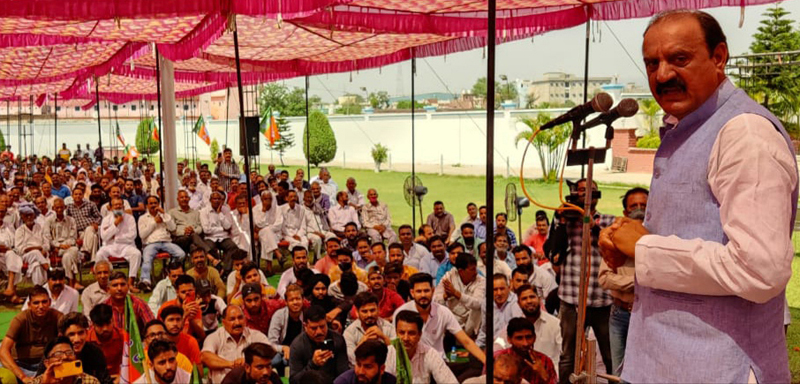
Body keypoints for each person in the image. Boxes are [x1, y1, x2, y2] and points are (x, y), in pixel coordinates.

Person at [597, 10, 798, 383]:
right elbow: (695, 234)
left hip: (720, 369)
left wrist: (646, 249)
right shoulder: (689, 126)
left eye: (679, 59)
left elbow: (761, 270)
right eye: (652, 63)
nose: (663, 75)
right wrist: (629, 247)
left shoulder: (745, 134)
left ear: (719, 58)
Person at [552, 179, 614, 381]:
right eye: (580, 190)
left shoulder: (607, 221)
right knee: (568, 353)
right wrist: (562, 220)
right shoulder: (565, 221)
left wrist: (587, 220)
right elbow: (554, 250)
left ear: (597, 195)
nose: (585, 194)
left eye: (590, 190)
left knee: (609, 352)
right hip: (570, 299)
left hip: (601, 300)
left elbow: (610, 243)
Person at [597, 187, 648, 375]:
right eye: (633, 205)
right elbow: (604, 278)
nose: (639, 209)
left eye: (644, 204)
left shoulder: (658, 239)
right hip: (620, 314)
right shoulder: (614, 239)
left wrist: (624, 280)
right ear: (625, 212)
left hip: (647, 315)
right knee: (618, 372)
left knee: (645, 372)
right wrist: (639, 280)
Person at [392, 273, 485, 363]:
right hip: (412, 364)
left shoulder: (443, 312)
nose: (423, 295)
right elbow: (395, 344)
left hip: (440, 363)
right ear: (412, 293)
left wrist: (486, 362)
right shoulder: (401, 313)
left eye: (426, 291)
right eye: (419, 291)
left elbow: (466, 341)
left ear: (433, 291)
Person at [0, 286, 62, 381]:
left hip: (47, 365)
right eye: (36, 303)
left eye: (44, 302)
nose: (41, 306)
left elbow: (68, 343)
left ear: (49, 302)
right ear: (29, 305)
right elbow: (3, 351)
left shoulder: (58, 317)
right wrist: (23, 377)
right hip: (20, 365)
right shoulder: (20, 319)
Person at [202, 305, 270, 384]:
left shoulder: (256, 336)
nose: (237, 322)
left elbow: (268, 353)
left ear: (245, 319)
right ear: (224, 322)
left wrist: (248, 361)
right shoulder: (215, 337)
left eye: (240, 318)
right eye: (232, 319)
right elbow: (205, 356)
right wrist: (231, 364)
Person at [384, 310, 457, 384]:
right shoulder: (387, 354)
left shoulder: (430, 353)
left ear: (419, 335)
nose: (406, 338)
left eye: (411, 333)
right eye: (402, 333)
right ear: (396, 333)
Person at [288, 305, 348, 384]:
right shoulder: (297, 345)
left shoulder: (337, 340)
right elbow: (293, 381)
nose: (319, 332)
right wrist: (313, 364)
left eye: (322, 326)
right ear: (305, 326)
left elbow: (343, 373)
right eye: (314, 328)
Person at [138, 196, 185, 292]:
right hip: (151, 243)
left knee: (181, 254)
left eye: (155, 203)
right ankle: (145, 281)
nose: (153, 205)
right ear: (147, 205)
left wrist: (164, 215)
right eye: (151, 203)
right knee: (147, 258)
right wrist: (154, 222)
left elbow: (172, 229)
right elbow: (142, 235)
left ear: (158, 204)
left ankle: (168, 270)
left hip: (166, 241)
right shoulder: (142, 218)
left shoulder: (165, 216)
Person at [433, 253, 485, 337]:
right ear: (461, 271)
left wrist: (456, 294)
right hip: (453, 318)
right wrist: (445, 296)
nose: (476, 272)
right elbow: (435, 300)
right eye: (472, 269)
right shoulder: (449, 277)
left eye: (476, 269)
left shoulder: (481, 280)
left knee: (479, 308)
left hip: (472, 321)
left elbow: (478, 303)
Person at [51, 312, 111, 384]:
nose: (77, 340)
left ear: (86, 332)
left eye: (80, 333)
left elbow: (106, 381)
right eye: (71, 334)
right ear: (61, 336)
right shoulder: (52, 355)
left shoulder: (95, 352)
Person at [96, 198, 142, 292]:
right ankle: (107, 282)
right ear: (111, 208)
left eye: (120, 205)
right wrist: (115, 224)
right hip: (110, 246)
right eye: (115, 205)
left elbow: (132, 236)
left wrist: (116, 237)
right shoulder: (106, 219)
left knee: (136, 254)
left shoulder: (130, 218)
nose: (118, 206)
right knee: (99, 254)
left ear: (123, 206)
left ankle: (130, 283)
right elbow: (104, 237)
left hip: (126, 246)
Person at [494, 318, 557, 384]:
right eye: (519, 338)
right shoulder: (496, 358)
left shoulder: (545, 362)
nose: (525, 343)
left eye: (528, 337)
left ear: (535, 338)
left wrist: (544, 376)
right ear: (509, 339)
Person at [344, 292, 396, 366]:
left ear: (378, 309)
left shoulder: (388, 327)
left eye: (372, 310)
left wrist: (383, 337)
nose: (369, 315)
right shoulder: (349, 332)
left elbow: (398, 354)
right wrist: (363, 341)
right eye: (364, 311)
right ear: (357, 312)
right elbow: (352, 360)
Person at [516, 284, 561, 370]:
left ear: (539, 299)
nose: (529, 301)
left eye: (532, 297)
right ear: (518, 303)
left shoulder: (555, 324)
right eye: (524, 299)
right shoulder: (515, 326)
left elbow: (563, 356)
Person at [477, 274, 523, 348]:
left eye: (502, 289)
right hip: (492, 347)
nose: (499, 293)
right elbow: (484, 329)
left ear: (508, 288)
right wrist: (476, 348)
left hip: (511, 347)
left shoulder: (516, 302)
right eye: (495, 289)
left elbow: (517, 331)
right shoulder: (486, 303)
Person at [44, 198, 82, 289]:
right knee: (72, 253)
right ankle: (73, 281)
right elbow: (47, 237)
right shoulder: (48, 221)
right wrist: (59, 245)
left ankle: (70, 282)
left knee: (69, 255)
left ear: (65, 207)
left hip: (69, 246)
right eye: (57, 208)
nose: (60, 210)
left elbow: (73, 237)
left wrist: (66, 245)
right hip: (56, 248)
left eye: (61, 207)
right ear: (53, 208)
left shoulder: (71, 220)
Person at [11, 203, 51, 289]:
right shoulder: (20, 230)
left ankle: (40, 288)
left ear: (34, 215)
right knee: (35, 252)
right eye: (26, 215)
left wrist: (43, 249)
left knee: (36, 265)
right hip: (26, 256)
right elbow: (19, 248)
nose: (29, 217)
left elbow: (47, 243)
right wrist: (36, 248)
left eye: (30, 215)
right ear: (22, 217)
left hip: (42, 255)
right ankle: (49, 271)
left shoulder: (40, 227)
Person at [200, 190, 241, 273]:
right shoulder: (204, 211)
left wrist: (220, 214)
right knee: (208, 248)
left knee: (232, 247)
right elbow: (206, 230)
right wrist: (222, 229)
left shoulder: (226, 210)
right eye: (214, 199)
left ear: (222, 200)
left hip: (224, 237)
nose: (217, 201)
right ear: (210, 200)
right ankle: (218, 269)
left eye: (219, 199)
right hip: (210, 238)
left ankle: (226, 271)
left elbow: (228, 226)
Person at [28, 337, 101, 384]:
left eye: (69, 353)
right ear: (47, 363)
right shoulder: (38, 382)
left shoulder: (90, 381)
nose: (65, 357)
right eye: (58, 354)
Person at [267, 284, 305, 374]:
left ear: (303, 300)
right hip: (280, 352)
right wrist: (284, 348)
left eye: (298, 299)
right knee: (276, 360)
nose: (295, 302)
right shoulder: (278, 315)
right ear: (286, 302)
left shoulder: (307, 315)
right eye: (291, 300)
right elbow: (271, 343)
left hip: (299, 352)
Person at [158, 275, 204, 340]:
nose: (187, 295)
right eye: (183, 292)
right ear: (177, 292)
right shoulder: (166, 307)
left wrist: (191, 319)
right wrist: (184, 316)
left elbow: (202, 336)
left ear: (194, 289)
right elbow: (164, 334)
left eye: (190, 291)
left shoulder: (194, 307)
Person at [87, 304, 125, 378]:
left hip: (120, 378)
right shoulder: (86, 340)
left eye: (108, 323)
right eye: (100, 325)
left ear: (113, 320)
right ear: (93, 324)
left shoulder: (123, 336)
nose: (105, 329)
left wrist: (121, 377)